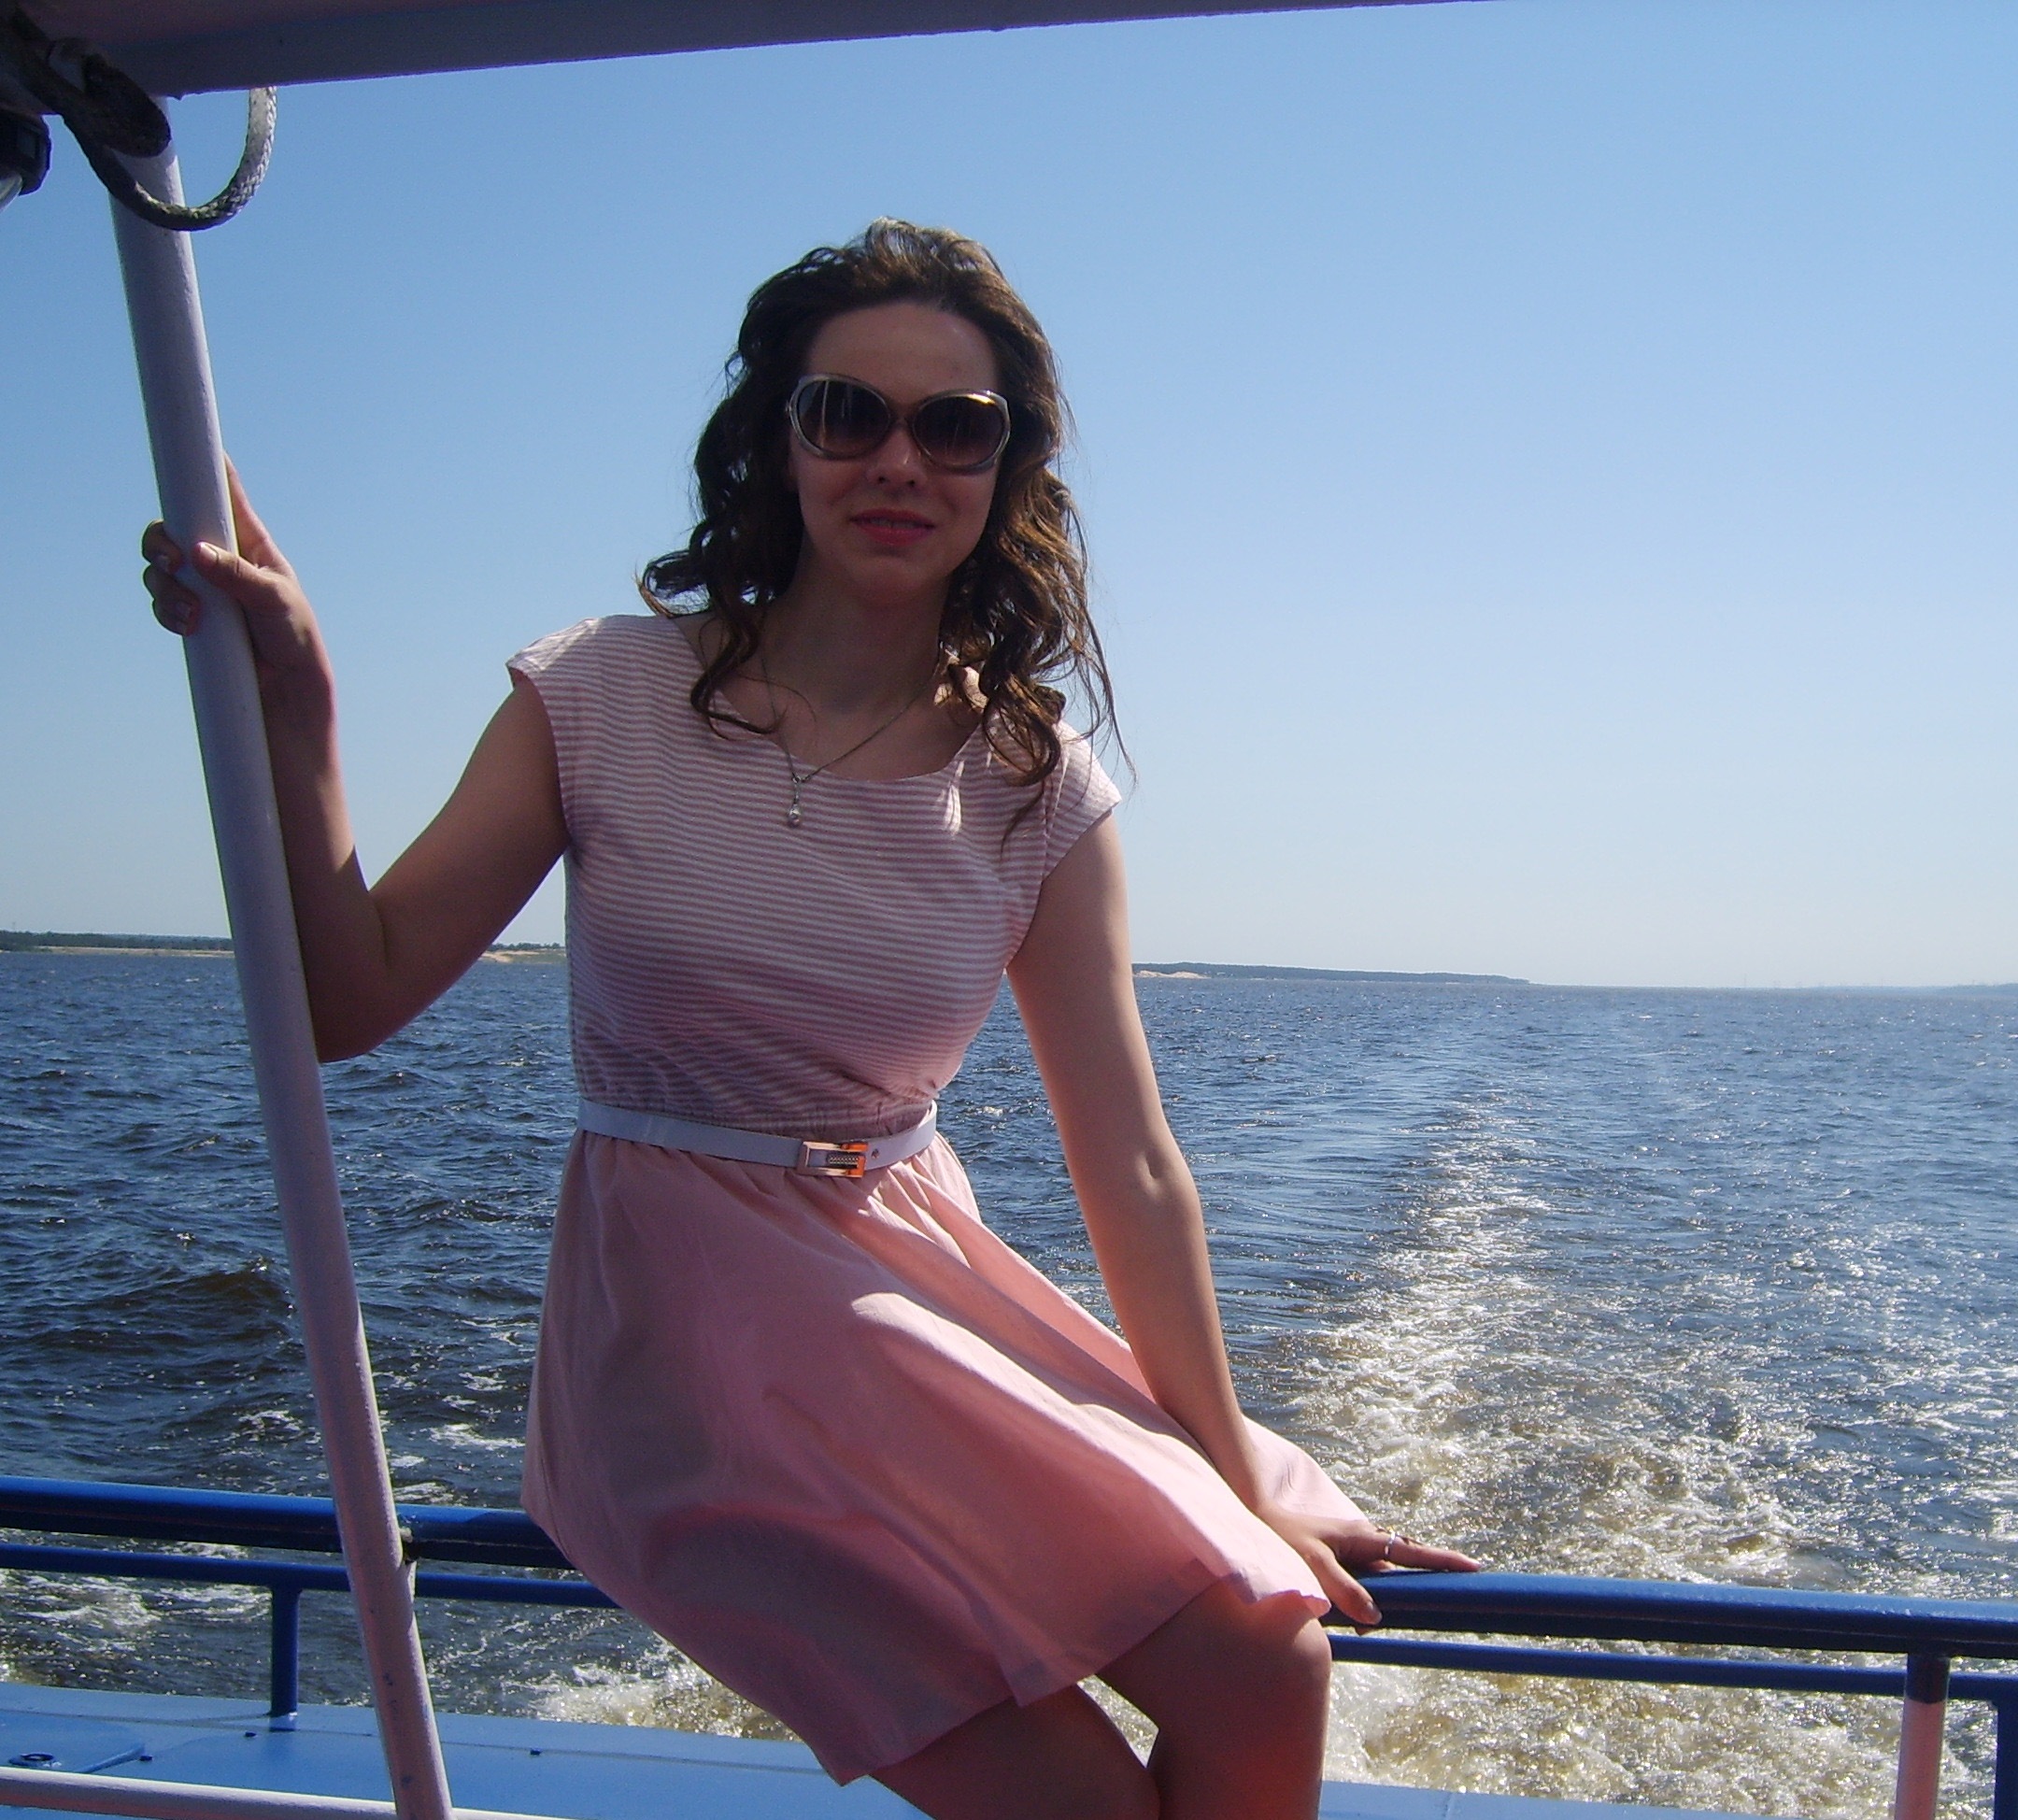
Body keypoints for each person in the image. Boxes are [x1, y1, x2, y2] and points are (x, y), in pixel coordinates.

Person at [143, 220, 1477, 1820]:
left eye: (955, 427)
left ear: (1007, 469)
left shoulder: (1036, 787)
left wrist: (1231, 1456)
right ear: (778, 442)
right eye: (849, 414)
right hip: (684, 1332)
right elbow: (349, 998)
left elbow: (1131, 1167)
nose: (899, 461)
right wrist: (298, 704)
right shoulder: (602, 695)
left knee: (1270, 1655)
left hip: (908, 1289)